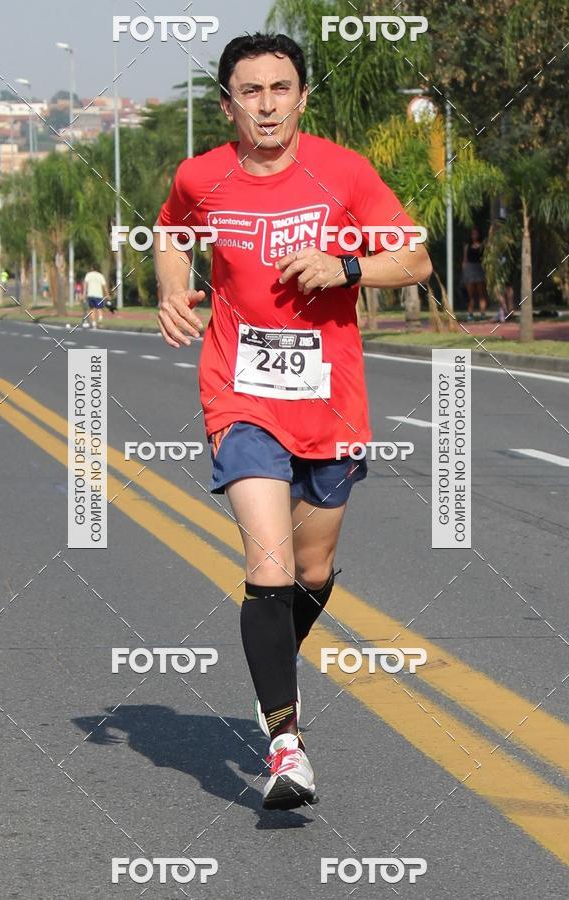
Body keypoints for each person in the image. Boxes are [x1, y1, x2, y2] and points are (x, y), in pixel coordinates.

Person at [154, 32, 432, 811]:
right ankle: (285, 744)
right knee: (268, 565)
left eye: (281, 89)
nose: (267, 104)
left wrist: (347, 266)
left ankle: (272, 666)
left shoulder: (343, 172)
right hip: (239, 397)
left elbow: (414, 257)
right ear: (228, 104)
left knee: (311, 574)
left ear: (302, 98)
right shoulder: (201, 175)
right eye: (252, 91)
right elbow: (174, 230)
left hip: (331, 403)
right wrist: (174, 286)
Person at [462, 227, 488, 320]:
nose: (474, 236)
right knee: (470, 295)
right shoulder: (467, 246)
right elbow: (465, 260)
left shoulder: (483, 245)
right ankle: (470, 314)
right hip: (470, 269)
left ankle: (482, 314)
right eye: (473, 234)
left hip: (480, 268)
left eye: (476, 234)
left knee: (481, 294)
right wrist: (464, 272)